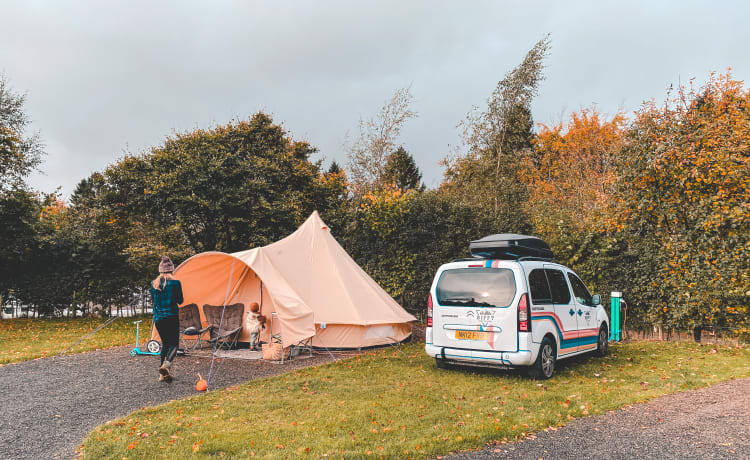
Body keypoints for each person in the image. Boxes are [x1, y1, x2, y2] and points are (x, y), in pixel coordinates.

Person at [149, 255, 183, 383]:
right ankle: (166, 366)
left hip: (159, 319)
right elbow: (180, 301)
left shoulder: (153, 284)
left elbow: (154, 302)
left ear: (160, 270)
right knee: (174, 344)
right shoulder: (175, 283)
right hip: (171, 317)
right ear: (171, 270)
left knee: (165, 344)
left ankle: (162, 375)